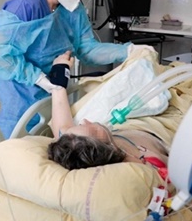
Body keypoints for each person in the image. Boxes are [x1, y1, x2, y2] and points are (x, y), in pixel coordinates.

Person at [0, 0, 153, 145]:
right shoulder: (26, 7)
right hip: (12, 101)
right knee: (5, 156)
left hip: (46, 98)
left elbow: (87, 49)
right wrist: (37, 77)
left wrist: (128, 51)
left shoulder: (72, 9)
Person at [47, 51, 168, 179]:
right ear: (105, 147)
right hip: (155, 128)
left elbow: (62, 128)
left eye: (80, 125)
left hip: (128, 124)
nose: (86, 121)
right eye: (93, 129)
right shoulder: (140, 162)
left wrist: (60, 72)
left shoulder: (75, 146)